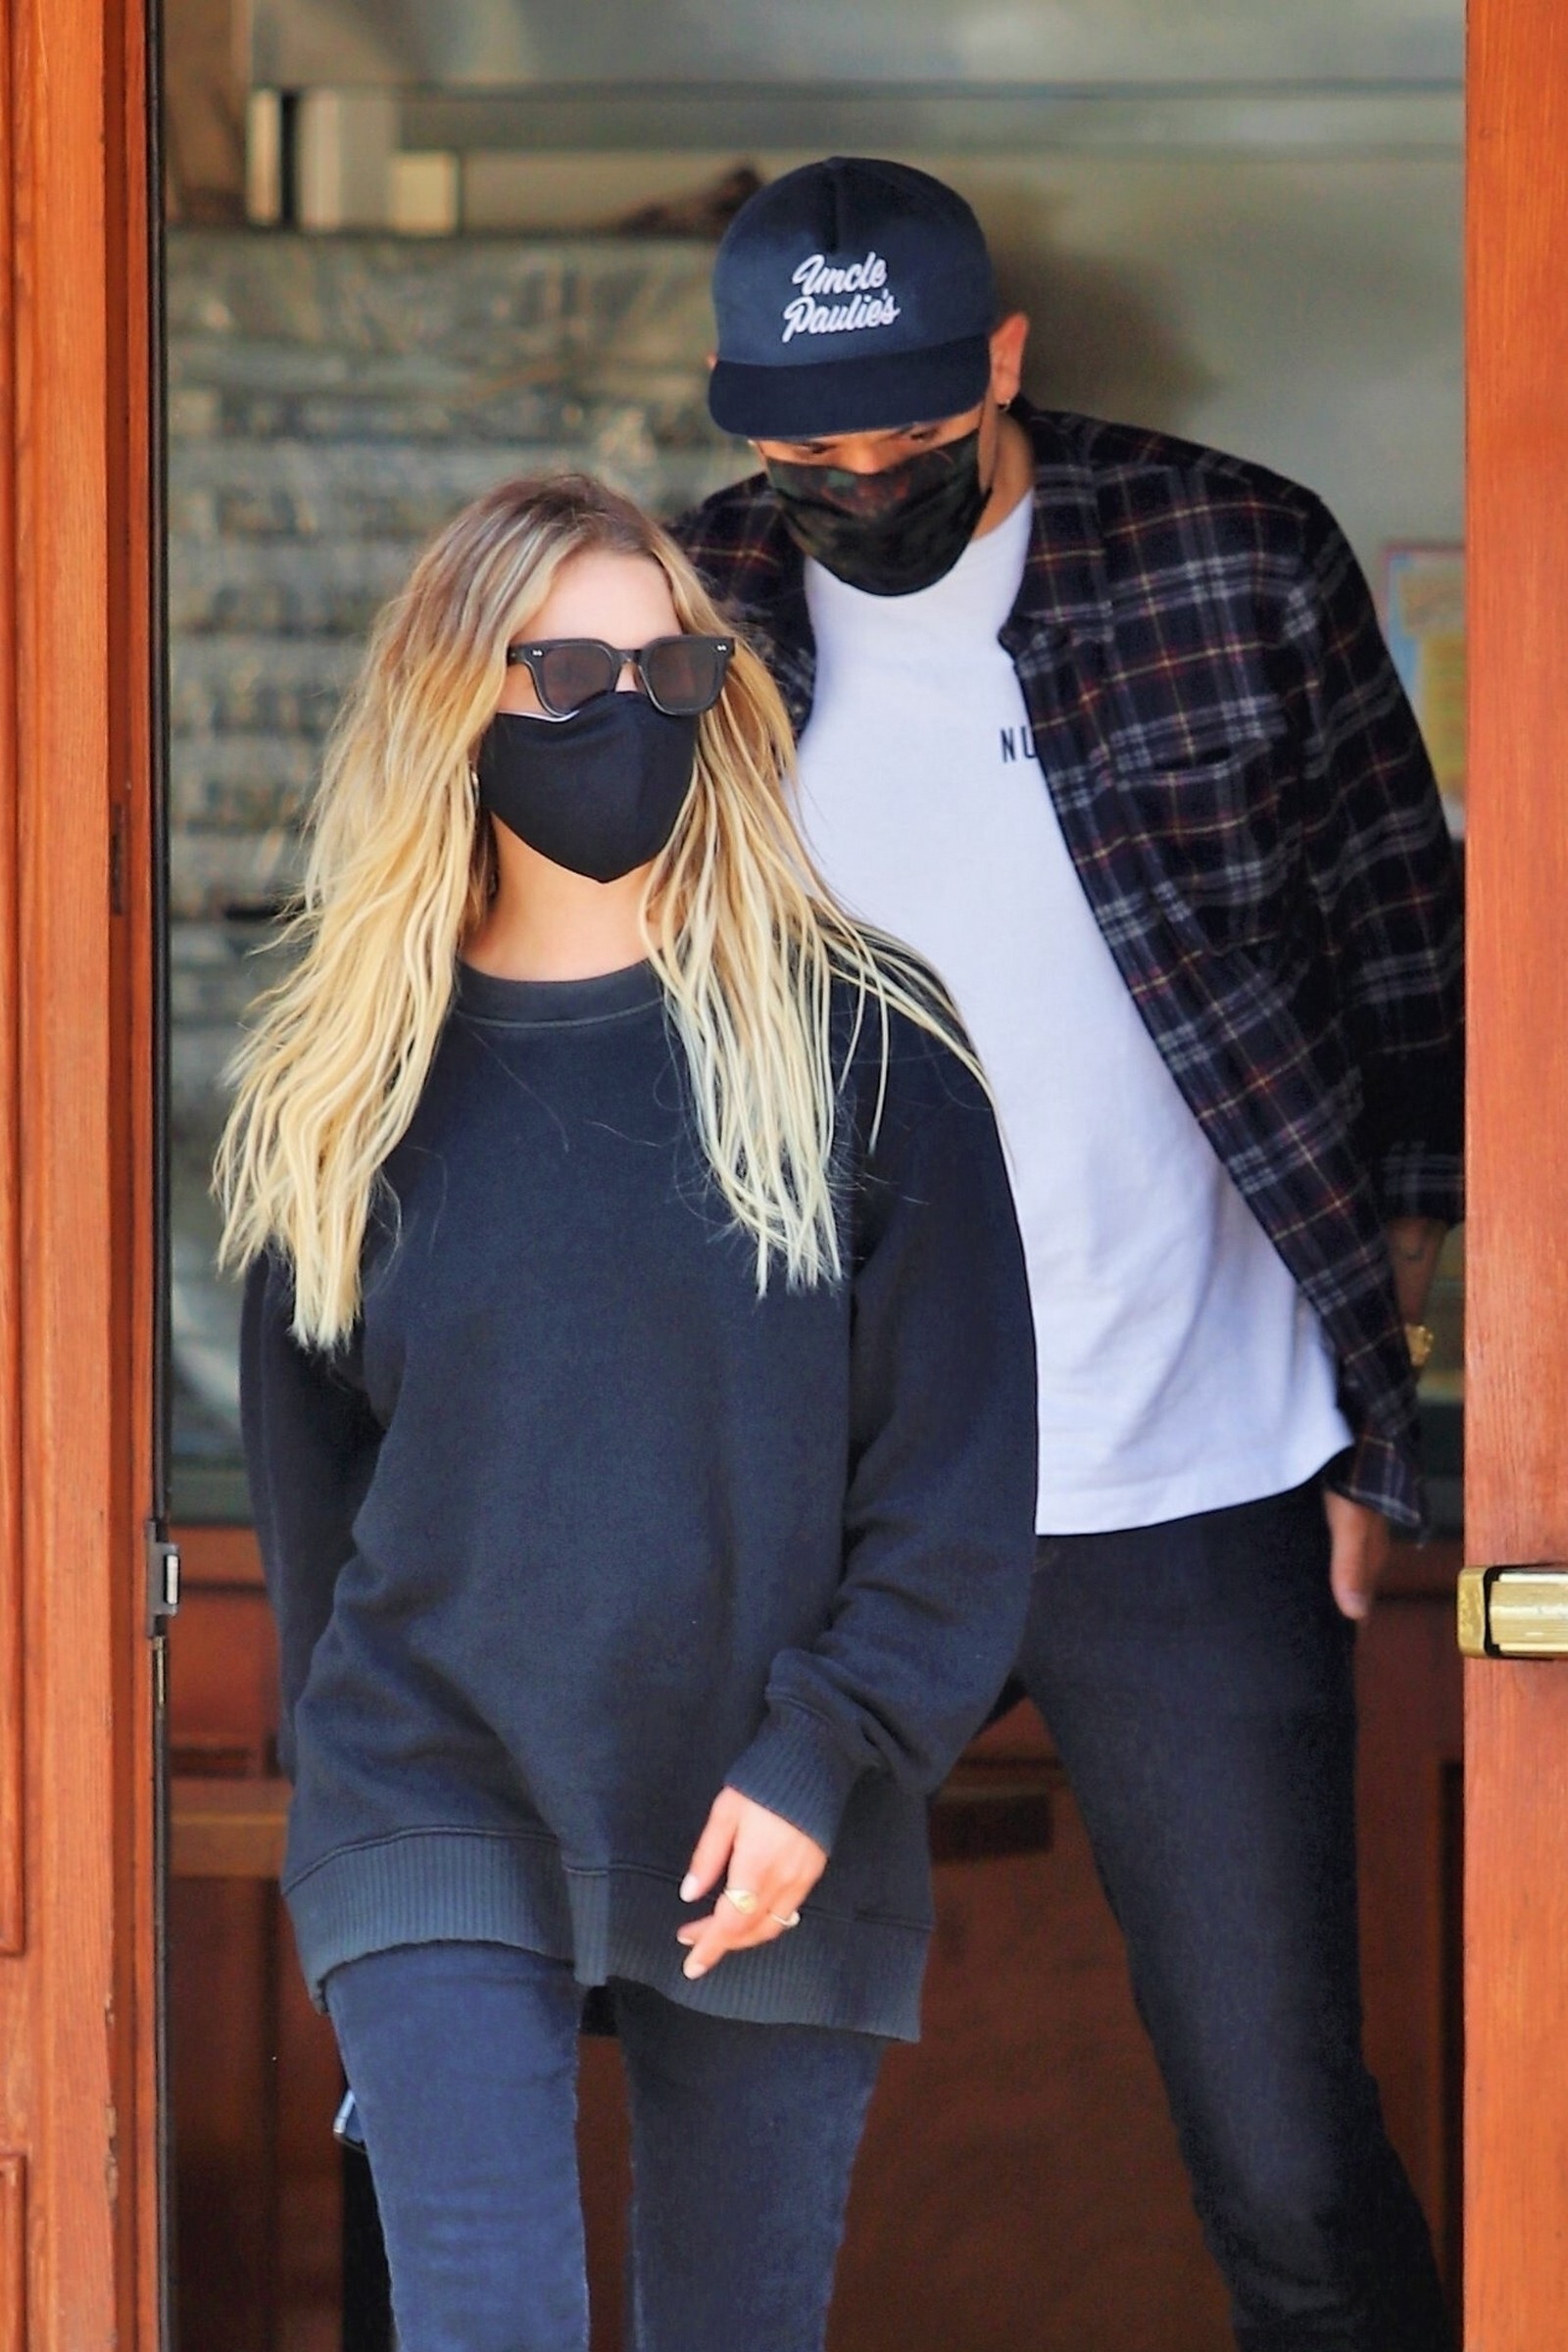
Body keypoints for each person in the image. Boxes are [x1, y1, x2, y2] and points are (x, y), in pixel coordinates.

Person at [674, 156, 1462, 2352]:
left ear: (1004, 359)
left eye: (914, 435)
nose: (864, 487)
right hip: (822, 1496)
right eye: (813, 452)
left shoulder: (1231, 557)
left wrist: (1372, 1404)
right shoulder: (683, 613)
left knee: (1285, 2152)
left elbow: (1412, 985)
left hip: (1188, 1478)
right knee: (632, 2044)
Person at [220, 471, 1038, 2352]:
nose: (634, 713)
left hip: (770, 1795)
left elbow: (955, 1481)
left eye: (673, 673)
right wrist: (358, 1812)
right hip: (434, 1792)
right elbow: (315, 1510)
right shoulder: (346, 1084)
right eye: (574, 675)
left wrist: (825, 1755)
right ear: (457, 700)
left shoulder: (862, 1042)